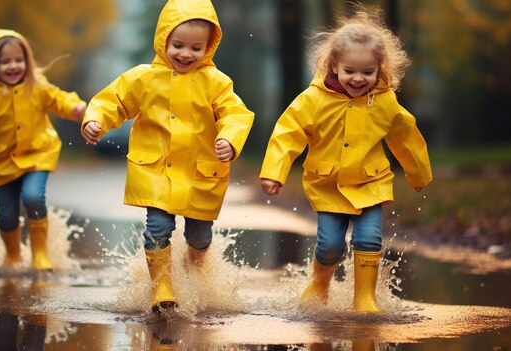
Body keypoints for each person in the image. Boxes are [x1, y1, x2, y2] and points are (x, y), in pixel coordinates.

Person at [81, 0, 254, 313]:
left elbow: (235, 113)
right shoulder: (144, 78)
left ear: (209, 47)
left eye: (196, 47)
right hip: (156, 171)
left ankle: (195, 268)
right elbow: (114, 100)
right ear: (163, 40)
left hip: (201, 174)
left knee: (199, 236)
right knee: (158, 228)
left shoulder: (216, 83)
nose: (186, 54)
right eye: (178, 45)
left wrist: (230, 138)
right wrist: (96, 120)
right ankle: (162, 286)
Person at [259, 5, 432, 312]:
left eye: (368, 72)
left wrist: (418, 173)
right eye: (350, 71)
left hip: (370, 181)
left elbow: (406, 136)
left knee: (368, 238)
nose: (358, 79)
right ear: (333, 65)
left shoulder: (385, 102)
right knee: (330, 245)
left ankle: (364, 298)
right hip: (328, 184)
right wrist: (275, 171)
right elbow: (288, 132)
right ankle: (320, 283)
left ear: (380, 69)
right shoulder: (314, 100)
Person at [0, 27, 86, 270]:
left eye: (18, 60)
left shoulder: (36, 86)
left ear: (27, 60)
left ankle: (40, 254)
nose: (13, 66)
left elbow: (58, 98)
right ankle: (12, 256)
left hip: (37, 155)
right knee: (7, 215)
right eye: (5, 62)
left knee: (33, 197)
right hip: (0, 163)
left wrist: (76, 108)